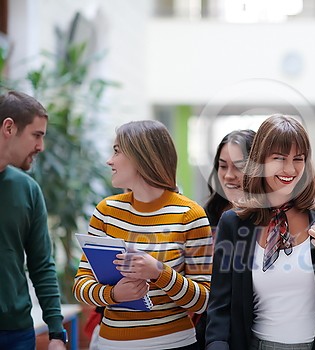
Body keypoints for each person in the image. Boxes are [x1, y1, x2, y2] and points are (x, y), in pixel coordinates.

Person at [205, 114, 315, 350]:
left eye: (298, 158)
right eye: (279, 158)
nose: (290, 169)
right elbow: (220, 304)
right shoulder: (235, 222)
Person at [72, 120, 213, 350]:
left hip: (174, 345)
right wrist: (114, 294)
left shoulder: (190, 215)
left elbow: (203, 301)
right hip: (111, 345)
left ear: (141, 156)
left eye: (117, 151)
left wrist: (158, 272)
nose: (110, 160)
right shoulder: (106, 211)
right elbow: (81, 286)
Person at [0, 91, 67, 349]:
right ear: (9, 127)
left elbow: (42, 265)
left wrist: (57, 333)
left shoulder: (28, 189)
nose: (41, 147)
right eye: (36, 135)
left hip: (17, 334)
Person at [191, 129, 256, 350]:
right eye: (222, 165)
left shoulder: (272, 220)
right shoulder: (202, 217)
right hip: (209, 331)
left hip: (256, 331)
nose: (228, 175)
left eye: (238, 166)